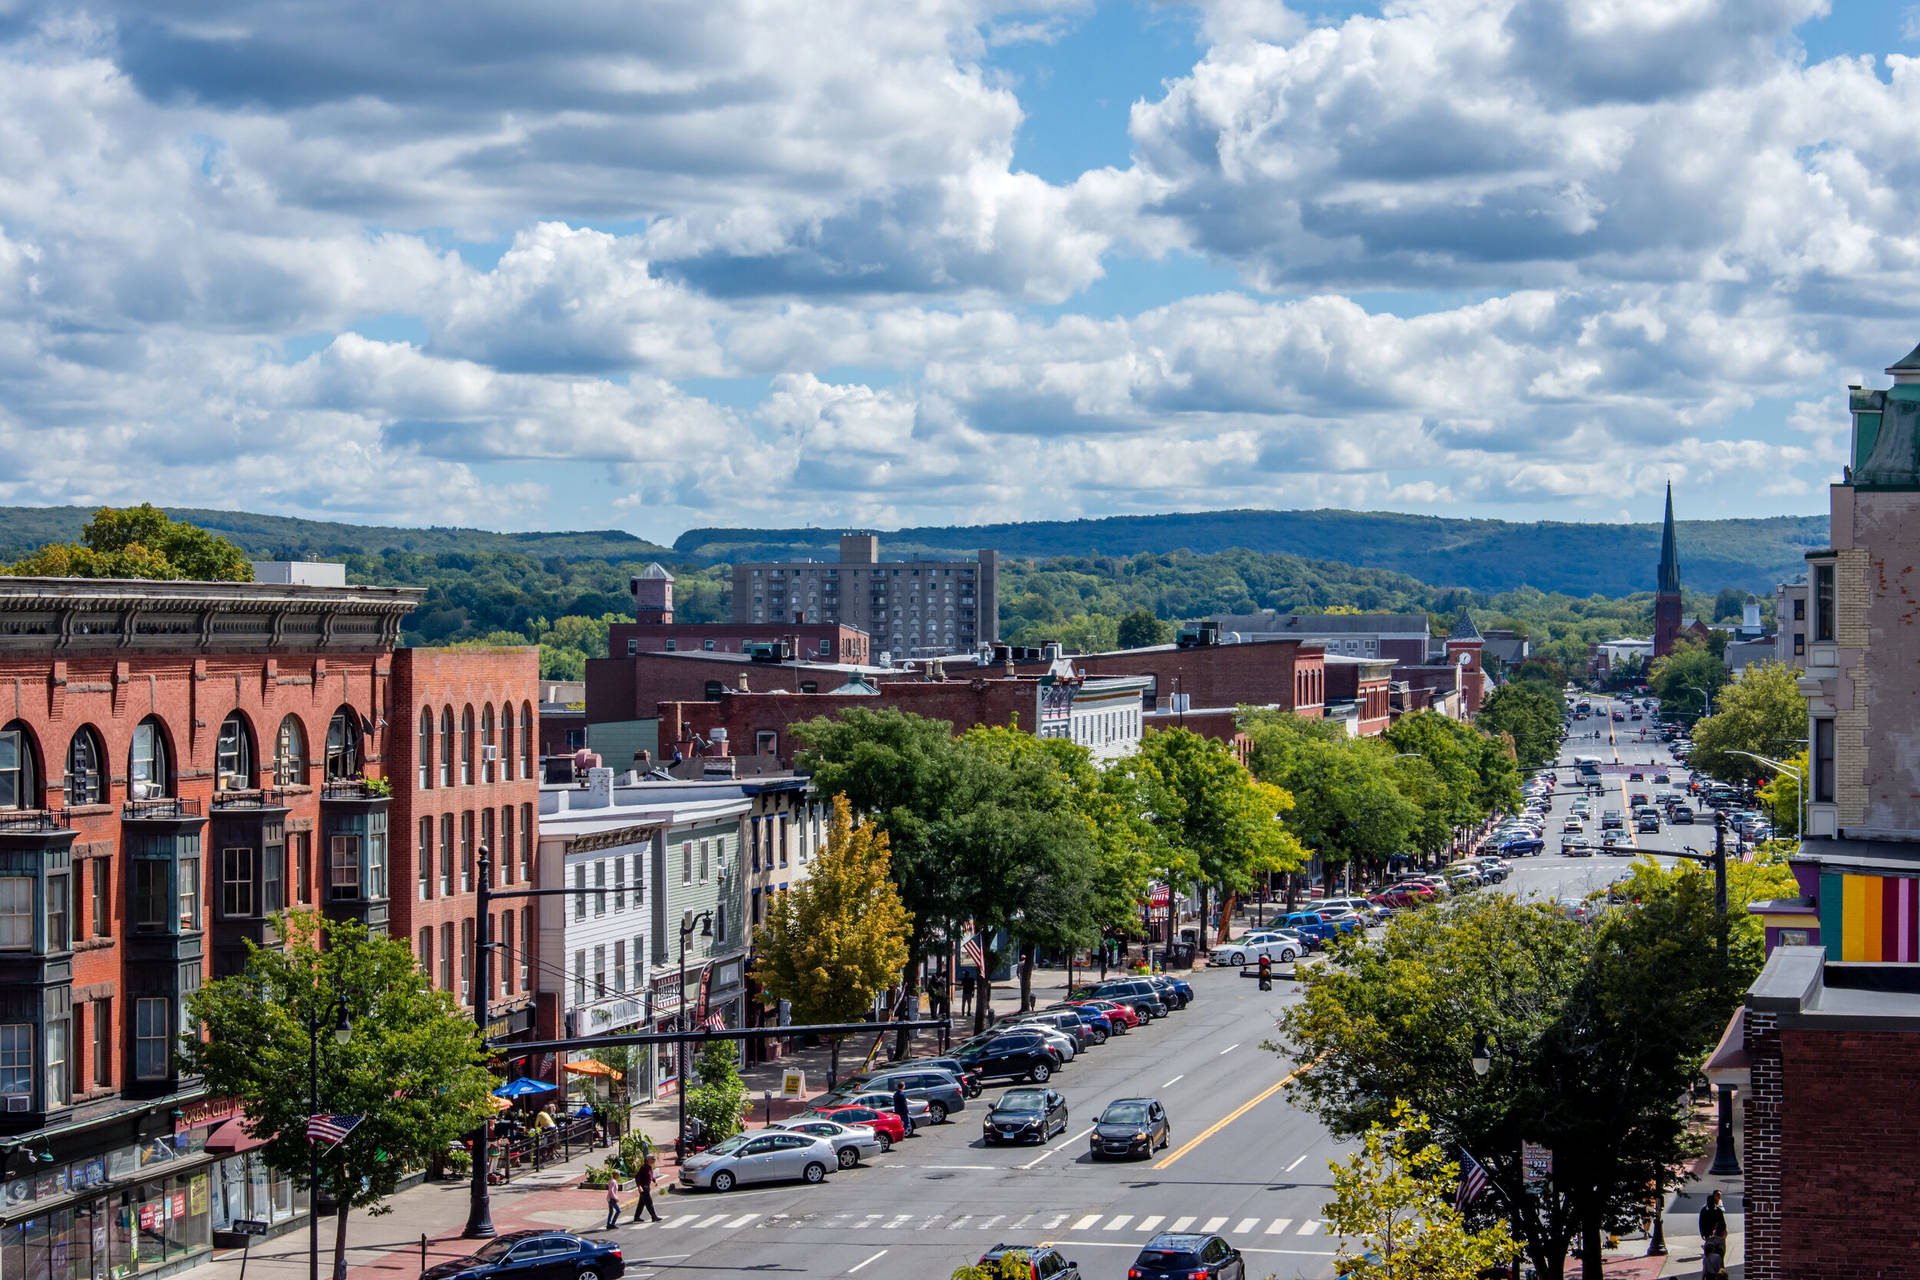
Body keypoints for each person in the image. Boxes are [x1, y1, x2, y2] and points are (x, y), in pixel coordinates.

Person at [631, 1153, 662, 1223]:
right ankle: (654, 1217)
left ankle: (636, 1217)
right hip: (644, 1187)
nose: (653, 1160)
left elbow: (650, 1175)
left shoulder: (650, 1167)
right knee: (649, 1202)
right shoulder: (644, 1167)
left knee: (641, 1203)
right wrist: (639, 1186)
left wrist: (655, 1180)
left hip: (647, 1186)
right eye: (652, 1159)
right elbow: (637, 1177)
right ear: (648, 1160)